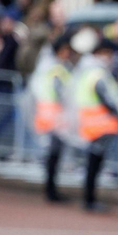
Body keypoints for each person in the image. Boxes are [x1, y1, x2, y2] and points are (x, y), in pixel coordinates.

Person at [72, 32, 118, 213]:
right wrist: (117, 113)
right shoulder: (98, 73)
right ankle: (90, 199)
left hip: (93, 124)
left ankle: (89, 198)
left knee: (92, 165)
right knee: (94, 165)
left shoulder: (89, 70)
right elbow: (105, 97)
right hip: (99, 125)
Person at [30, 35, 77, 204]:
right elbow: (61, 93)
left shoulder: (50, 67)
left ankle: (51, 189)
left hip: (51, 116)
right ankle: (51, 191)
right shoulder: (57, 69)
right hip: (55, 118)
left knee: (53, 157)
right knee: (53, 156)